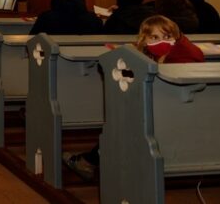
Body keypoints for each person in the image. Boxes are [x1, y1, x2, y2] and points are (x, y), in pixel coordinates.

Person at [64, 15, 204, 180]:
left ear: (176, 36)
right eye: (155, 37)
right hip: (172, 113)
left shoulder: (182, 58)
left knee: (124, 121)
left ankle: (91, 161)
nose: (162, 41)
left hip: (169, 117)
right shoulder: (169, 53)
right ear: (144, 40)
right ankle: (92, 159)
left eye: (167, 36)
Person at [29, 0, 103, 35]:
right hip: (90, 57)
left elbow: (32, 39)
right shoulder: (94, 19)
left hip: (52, 57)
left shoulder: (45, 18)